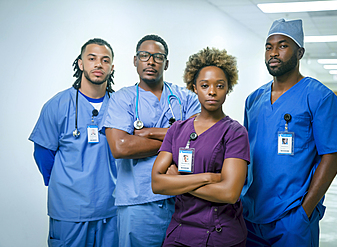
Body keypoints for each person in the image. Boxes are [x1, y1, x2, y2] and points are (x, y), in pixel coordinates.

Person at [240, 18, 337, 246]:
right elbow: (245, 154)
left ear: (299, 52)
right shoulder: (253, 100)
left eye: (282, 46)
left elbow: (331, 157)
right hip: (250, 214)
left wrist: (305, 210)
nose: (273, 52)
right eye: (268, 47)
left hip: (292, 218)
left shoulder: (319, 97)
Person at [103, 34, 201, 247]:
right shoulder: (122, 99)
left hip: (182, 201)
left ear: (166, 64)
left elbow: (199, 139)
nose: (151, 61)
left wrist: (146, 133)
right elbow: (120, 147)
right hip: (138, 203)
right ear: (135, 61)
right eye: (144, 55)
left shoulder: (186, 97)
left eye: (158, 56)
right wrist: (176, 139)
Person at [152, 47, 250, 247]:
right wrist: (207, 177)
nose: (212, 91)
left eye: (220, 86)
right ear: (194, 87)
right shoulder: (177, 129)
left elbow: (229, 193)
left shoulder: (235, 132)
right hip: (179, 232)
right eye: (205, 85)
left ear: (228, 88)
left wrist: (178, 181)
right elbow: (157, 184)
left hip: (220, 234)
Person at [29, 38, 118, 246]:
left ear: (112, 68)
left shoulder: (120, 106)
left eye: (105, 60)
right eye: (92, 58)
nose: (98, 64)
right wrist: (66, 187)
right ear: (80, 63)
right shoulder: (58, 105)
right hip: (69, 212)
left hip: (111, 209)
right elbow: (43, 153)